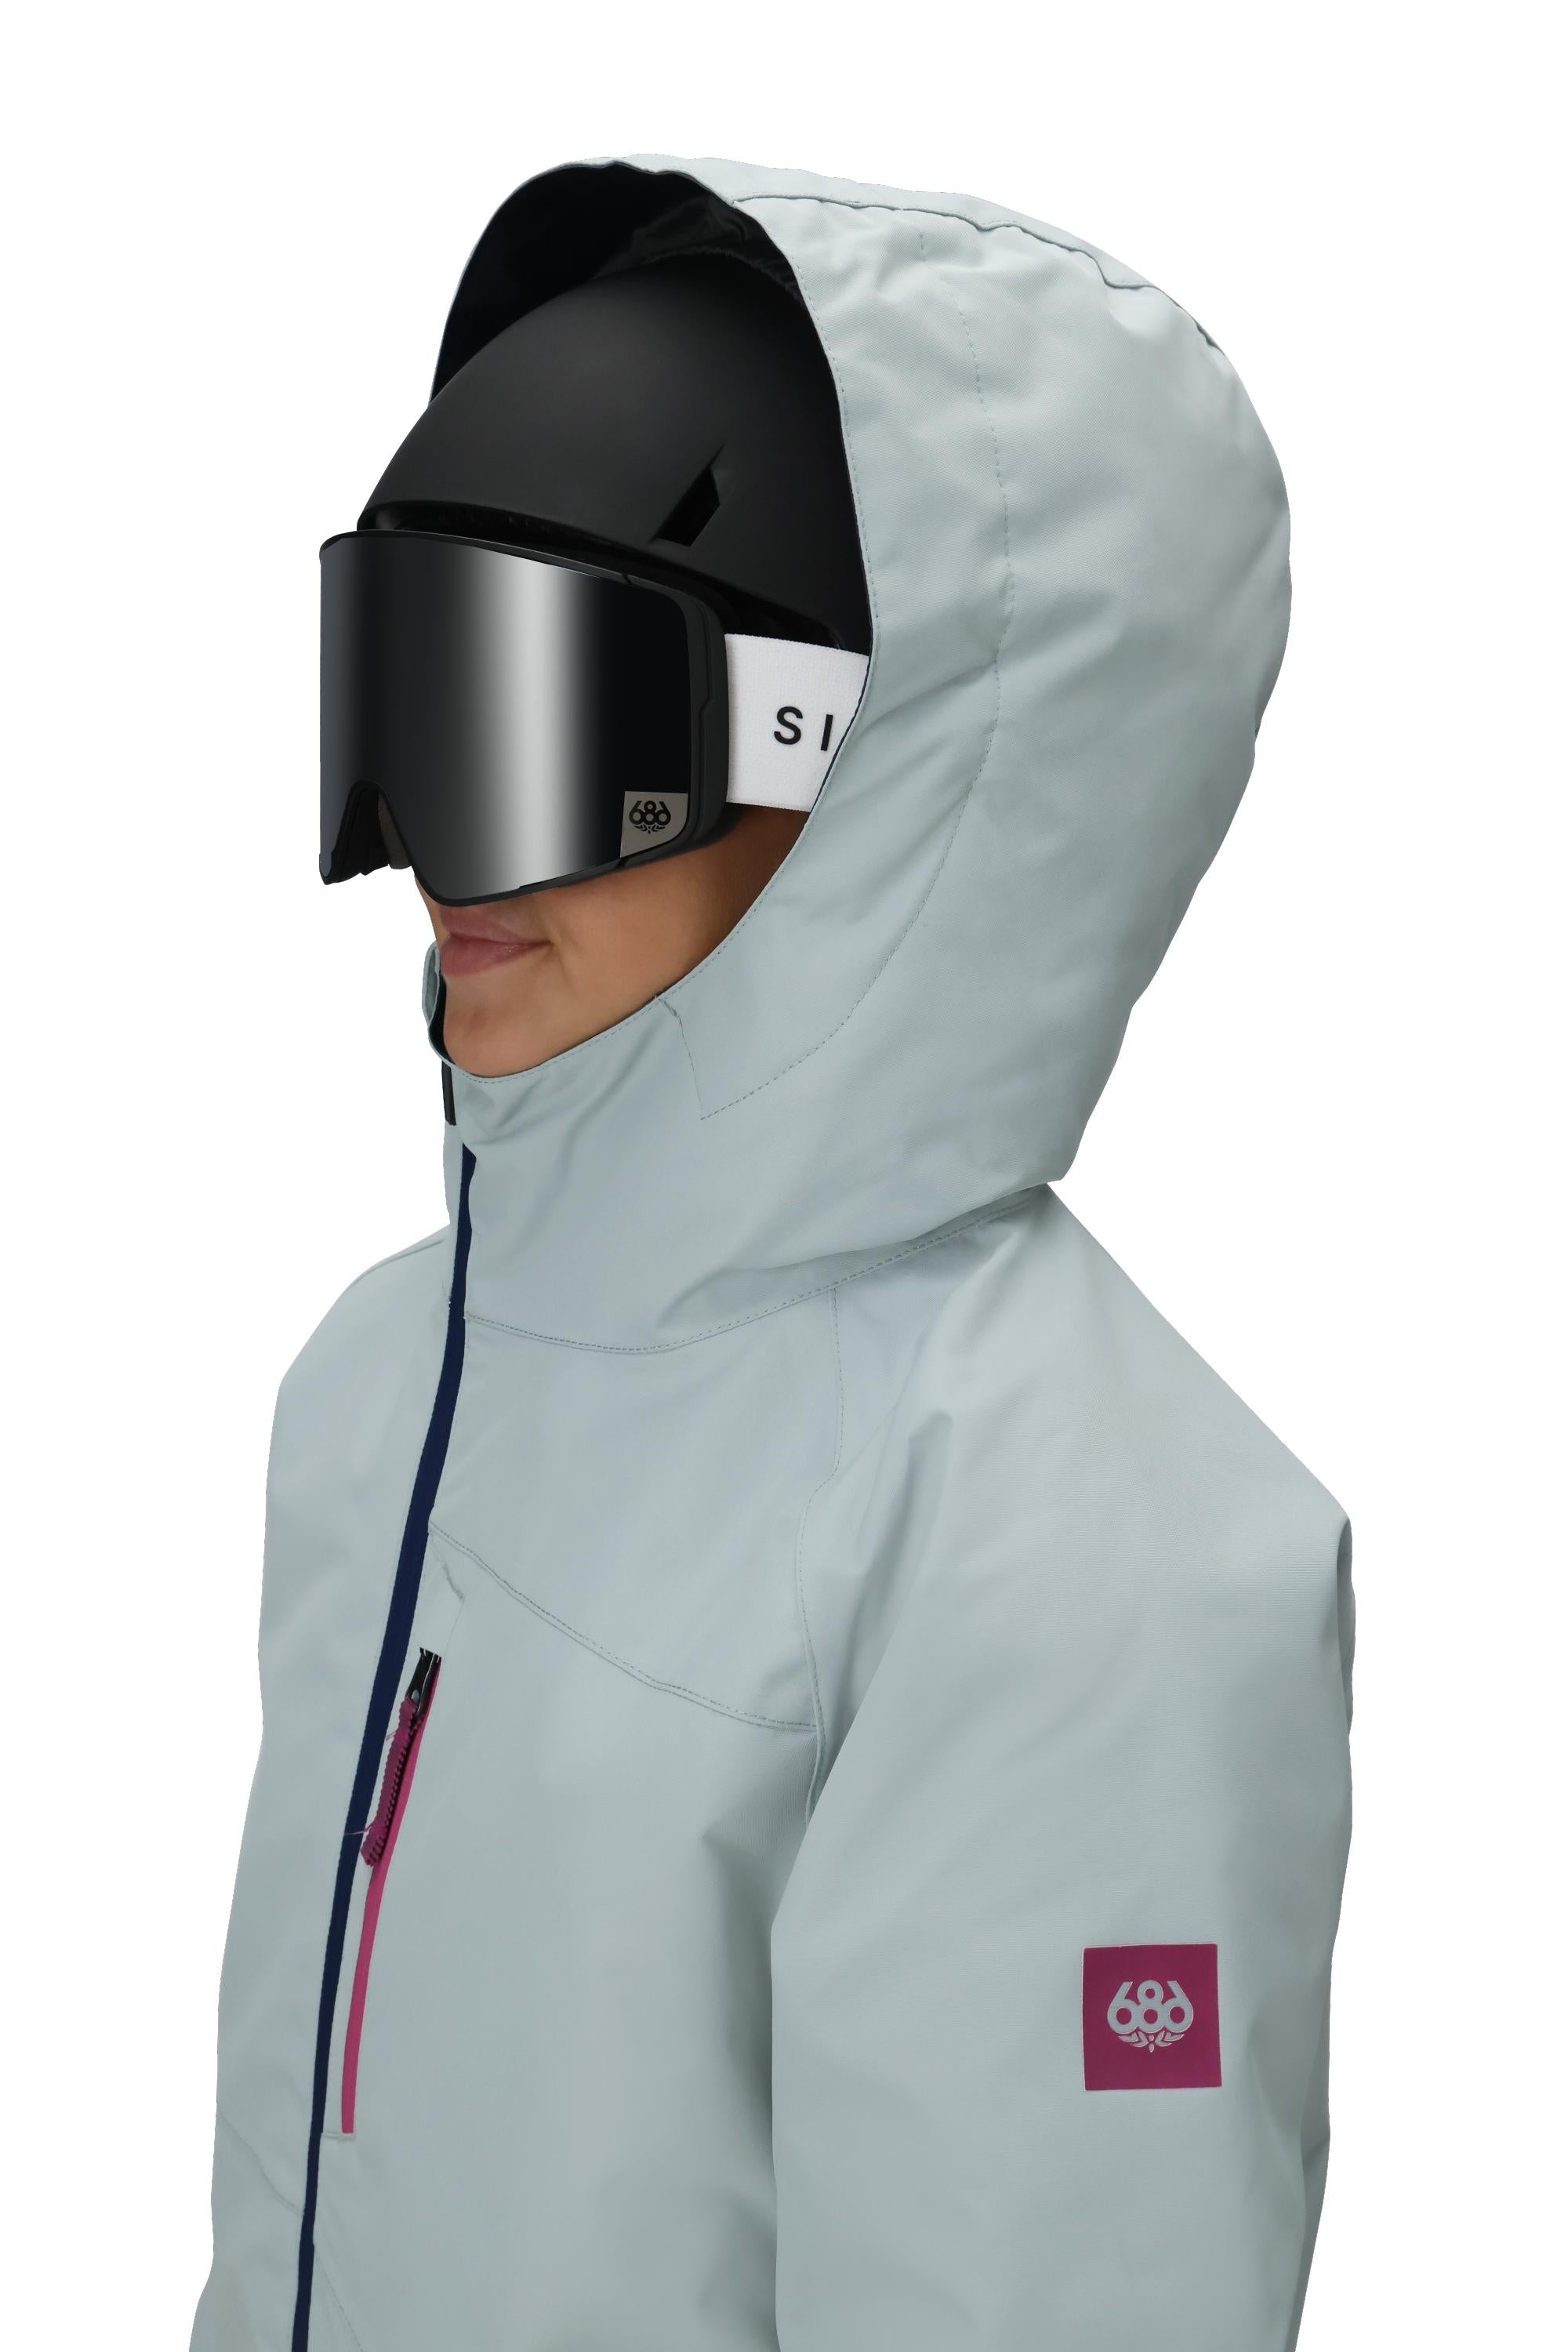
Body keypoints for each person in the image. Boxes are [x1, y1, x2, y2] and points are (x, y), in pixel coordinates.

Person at [193, 156, 1353, 2352]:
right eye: (418, 698)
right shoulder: (386, 1384)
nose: (440, 850)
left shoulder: (1070, 1535)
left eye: (549, 726)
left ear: (871, 762)